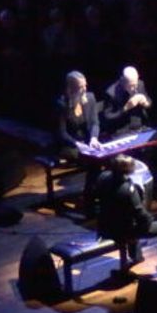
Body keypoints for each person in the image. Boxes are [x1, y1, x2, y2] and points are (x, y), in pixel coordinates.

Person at [94, 154, 157, 277]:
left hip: (105, 226)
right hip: (123, 231)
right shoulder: (128, 189)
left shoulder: (103, 177)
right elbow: (140, 215)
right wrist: (155, 217)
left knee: (127, 217)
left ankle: (136, 256)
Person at [56, 70, 102, 213]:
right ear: (71, 89)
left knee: (104, 156)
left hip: (86, 141)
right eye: (80, 87)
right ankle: (89, 200)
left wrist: (94, 138)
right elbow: (61, 133)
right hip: (69, 144)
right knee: (93, 161)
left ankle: (98, 194)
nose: (84, 90)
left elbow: (95, 123)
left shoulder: (90, 98)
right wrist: (77, 144)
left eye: (85, 86)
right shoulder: (61, 104)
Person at [103, 65, 152, 135]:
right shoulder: (111, 93)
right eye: (131, 86)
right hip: (123, 130)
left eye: (135, 85)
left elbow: (149, 103)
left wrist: (145, 102)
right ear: (122, 81)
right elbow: (108, 117)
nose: (134, 89)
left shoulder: (140, 84)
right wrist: (125, 108)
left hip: (142, 126)